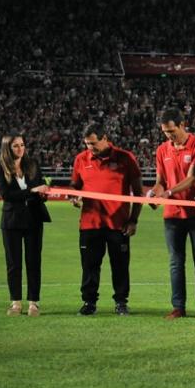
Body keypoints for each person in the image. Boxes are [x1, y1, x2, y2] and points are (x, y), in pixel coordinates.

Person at [69, 123, 143, 316]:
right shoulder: (81, 159)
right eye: (87, 144)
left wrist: (133, 220)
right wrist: (74, 196)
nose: (90, 148)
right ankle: (89, 303)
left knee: (120, 266)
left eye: (93, 143)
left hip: (118, 225)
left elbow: (138, 192)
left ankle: (121, 303)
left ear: (105, 138)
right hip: (89, 223)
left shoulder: (125, 158)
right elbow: (75, 186)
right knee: (90, 266)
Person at [152, 107, 195, 320]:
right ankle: (178, 306)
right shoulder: (162, 150)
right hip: (172, 215)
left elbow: (192, 179)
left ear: (182, 125)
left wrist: (168, 192)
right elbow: (160, 181)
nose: (169, 136)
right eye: (165, 132)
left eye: (172, 131)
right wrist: (154, 193)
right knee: (175, 261)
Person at [0, 134, 51, 317]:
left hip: (34, 219)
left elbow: (40, 187)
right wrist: (32, 191)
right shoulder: (1, 168)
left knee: (34, 262)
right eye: (15, 146)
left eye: (22, 145)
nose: (20, 149)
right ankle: (16, 303)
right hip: (11, 221)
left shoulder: (33, 164)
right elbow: (7, 195)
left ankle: (33, 303)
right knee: (13, 264)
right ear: (7, 149)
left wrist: (43, 193)